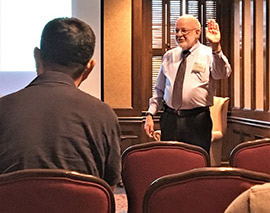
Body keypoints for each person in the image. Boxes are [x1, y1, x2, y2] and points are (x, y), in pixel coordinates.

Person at [0, 17, 121, 190]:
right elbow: (108, 188)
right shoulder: (104, 115)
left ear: (37, 56)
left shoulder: (2, 108)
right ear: (90, 67)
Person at [144, 14, 232, 152]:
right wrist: (150, 114)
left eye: (184, 30)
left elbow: (222, 73)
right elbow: (159, 89)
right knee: (170, 161)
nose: (179, 34)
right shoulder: (169, 56)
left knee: (197, 163)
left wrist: (216, 47)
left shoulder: (209, 54)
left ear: (197, 32)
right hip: (170, 119)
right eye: (177, 31)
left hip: (197, 120)